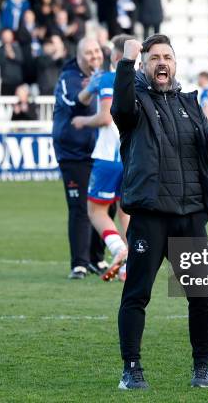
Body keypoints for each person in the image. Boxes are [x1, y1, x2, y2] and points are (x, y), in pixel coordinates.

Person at [111, 35, 208, 389]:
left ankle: (202, 367)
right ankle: (131, 368)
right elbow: (119, 108)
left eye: (167, 57)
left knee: (201, 297)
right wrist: (126, 61)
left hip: (190, 216)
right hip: (151, 216)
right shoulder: (134, 103)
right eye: (154, 58)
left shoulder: (190, 104)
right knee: (137, 295)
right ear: (145, 65)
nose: (161, 62)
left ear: (175, 63)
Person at [70, 34, 133, 282]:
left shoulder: (108, 79)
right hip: (132, 156)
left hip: (109, 156)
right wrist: (90, 87)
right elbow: (85, 97)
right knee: (126, 212)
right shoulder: (138, 80)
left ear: (114, 57)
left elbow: (104, 116)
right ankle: (131, 267)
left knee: (95, 211)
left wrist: (83, 120)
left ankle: (118, 249)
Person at [52, 37, 110, 279]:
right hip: (73, 153)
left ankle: (97, 258)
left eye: (96, 51)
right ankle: (79, 263)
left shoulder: (104, 75)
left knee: (106, 204)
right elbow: (75, 103)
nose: (94, 56)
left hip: (100, 151)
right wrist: (92, 87)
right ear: (78, 56)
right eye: (88, 53)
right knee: (79, 208)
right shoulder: (68, 78)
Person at [0, 28, 24, 95]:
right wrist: (6, 53)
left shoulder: (18, 48)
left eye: (8, 35)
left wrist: (13, 56)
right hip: (5, 82)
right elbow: (0, 62)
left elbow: (21, 60)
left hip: (17, 81)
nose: (6, 37)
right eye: (5, 35)